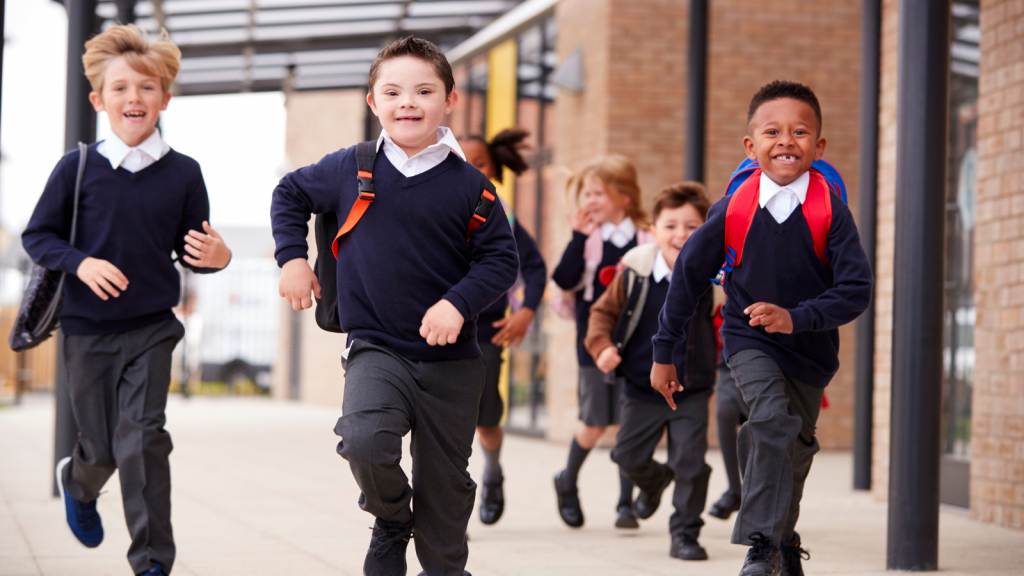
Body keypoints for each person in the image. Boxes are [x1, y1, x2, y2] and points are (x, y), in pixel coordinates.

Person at [271, 36, 519, 576]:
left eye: (424, 91)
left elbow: (502, 261)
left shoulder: (473, 186)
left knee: (444, 490)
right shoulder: (349, 167)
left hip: (453, 363)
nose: (408, 102)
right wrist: (292, 259)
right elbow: (289, 192)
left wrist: (458, 304)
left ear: (449, 101)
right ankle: (390, 519)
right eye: (393, 92)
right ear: (373, 102)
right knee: (364, 441)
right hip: (376, 348)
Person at [22, 24, 232, 576]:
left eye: (146, 87)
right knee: (102, 448)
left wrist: (219, 257)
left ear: (165, 98)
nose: (133, 97)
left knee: (143, 440)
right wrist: (81, 263)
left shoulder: (184, 173)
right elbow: (37, 236)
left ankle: (152, 562)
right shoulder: (77, 168)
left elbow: (194, 252)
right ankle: (80, 482)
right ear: (99, 101)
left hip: (152, 329)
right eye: (120, 88)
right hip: (87, 331)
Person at [650, 80, 873, 576]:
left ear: (819, 146)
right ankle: (761, 546)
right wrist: (664, 351)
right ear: (751, 147)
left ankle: (784, 540)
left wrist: (797, 318)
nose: (786, 141)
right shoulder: (734, 207)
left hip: (811, 350)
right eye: (772, 132)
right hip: (748, 337)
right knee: (770, 419)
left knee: (795, 448)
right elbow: (687, 276)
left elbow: (856, 290)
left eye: (800, 132)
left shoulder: (831, 212)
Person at [586, 183, 717, 560]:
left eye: (692, 226)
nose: (681, 235)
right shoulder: (635, 271)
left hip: (691, 388)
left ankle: (685, 534)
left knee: (690, 462)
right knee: (626, 456)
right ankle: (656, 480)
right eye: (671, 226)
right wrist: (603, 347)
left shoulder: (715, 274)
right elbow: (601, 314)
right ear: (654, 229)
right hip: (641, 387)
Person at [550, 154, 650, 529]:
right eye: (587, 194)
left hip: (636, 345)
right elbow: (563, 279)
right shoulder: (588, 238)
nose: (590, 201)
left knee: (629, 425)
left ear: (624, 195)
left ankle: (625, 505)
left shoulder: (647, 238)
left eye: (598, 193)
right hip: (593, 344)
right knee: (594, 423)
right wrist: (577, 238)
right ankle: (567, 481)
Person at [459, 130, 547, 525]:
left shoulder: (503, 218)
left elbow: (536, 268)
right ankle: (451, 511)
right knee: (446, 422)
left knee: (485, 419)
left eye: (479, 163)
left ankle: (492, 472)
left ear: (495, 171)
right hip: (434, 331)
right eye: (460, 161)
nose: (469, 170)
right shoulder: (431, 208)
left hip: (487, 332)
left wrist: (526, 312)